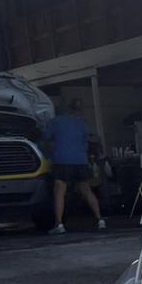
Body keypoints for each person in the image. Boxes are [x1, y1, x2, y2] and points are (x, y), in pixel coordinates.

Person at [44, 99, 105, 235]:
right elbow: (91, 139)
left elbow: (46, 138)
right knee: (87, 190)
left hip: (62, 160)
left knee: (60, 191)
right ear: (78, 111)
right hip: (80, 161)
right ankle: (100, 219)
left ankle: (59, 224)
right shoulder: (82, 123)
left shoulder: (55, 122)